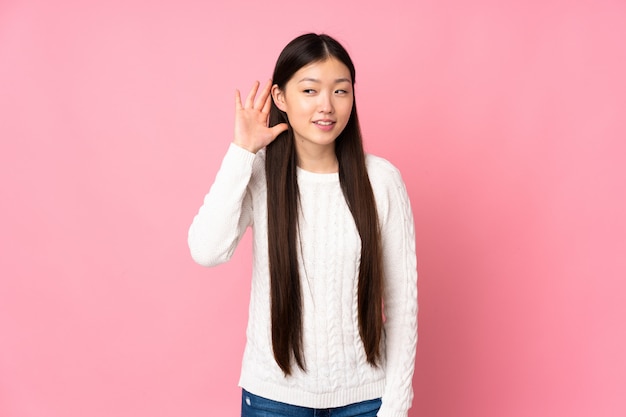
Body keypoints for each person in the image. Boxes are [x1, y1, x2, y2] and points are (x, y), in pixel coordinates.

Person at [188, 33, 417, 417]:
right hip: (271, 401)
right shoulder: (258, 174)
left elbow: (401, 301)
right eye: (309, 90)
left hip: (364, 401)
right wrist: (241, 152)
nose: (326, 106)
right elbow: (207, 250)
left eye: (340, 91)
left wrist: (395, 405)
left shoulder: (381, 181)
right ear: (280, 98)